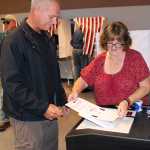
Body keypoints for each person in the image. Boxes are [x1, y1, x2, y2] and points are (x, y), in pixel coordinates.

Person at [1, 0, 68, 150]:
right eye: (52, 17)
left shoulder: (47, 38)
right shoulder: (13, 41)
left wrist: (62, 100)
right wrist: (42, 107)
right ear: (36, 10)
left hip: (49, 112)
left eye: (57, 17)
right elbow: (12, 84)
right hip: (27, 116)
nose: (55, 21)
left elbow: (53, 74)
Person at [68, 21, 150, 117]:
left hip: (131, 111)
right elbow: (83, 80)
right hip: (105, 114)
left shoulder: (134, 58)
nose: (114, 48)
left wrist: (128, 101)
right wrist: (75, 91)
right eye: (110, 43)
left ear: (125, 42)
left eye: (118, 44)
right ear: (104, 42)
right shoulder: (99, 60)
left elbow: (146, 87)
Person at [0, 14, 18, 131]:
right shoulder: (5, 36)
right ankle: (4, 118)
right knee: (4, 93)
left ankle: (5, 118)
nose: (5, 25)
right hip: (6, 69)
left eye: (7, 22)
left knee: (7, 92)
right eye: (4, 23)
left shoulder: (15, 36)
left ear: (13, 22)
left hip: (12, 70)